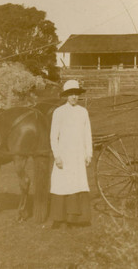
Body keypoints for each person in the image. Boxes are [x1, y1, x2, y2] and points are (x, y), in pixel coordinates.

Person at [49, 79, 93, 229]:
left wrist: (89, 154)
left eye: (76, 94)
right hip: (64, 155)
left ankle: (73, 218)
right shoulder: (59, 112)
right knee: (60, 184)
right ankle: (58, 218)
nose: (74, 97)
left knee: (76, 184)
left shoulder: (83, 112)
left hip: (78, 155)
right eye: (71, 94)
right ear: (66, 96)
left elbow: (88, 134)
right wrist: (57, 156)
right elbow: (53, 136)